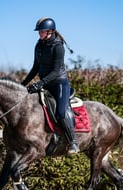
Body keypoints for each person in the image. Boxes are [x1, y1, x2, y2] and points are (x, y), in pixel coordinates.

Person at [21, 17, 79, 154]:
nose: (39, 34)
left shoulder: (58, 47)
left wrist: (39, 83)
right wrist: (22, 85)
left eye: (42, 31)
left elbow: (55, 71)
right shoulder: (39, 45)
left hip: (59, 83)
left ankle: (73, 141)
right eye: (39, 32)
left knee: (60, 112)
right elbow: (35, 67)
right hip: (46, 84)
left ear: (50, 31)